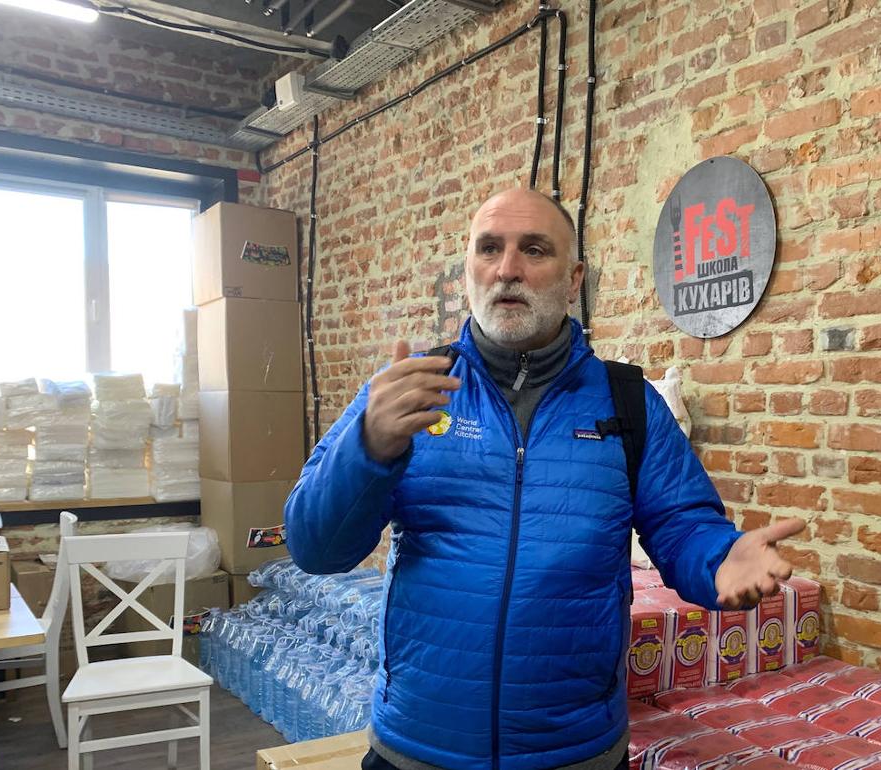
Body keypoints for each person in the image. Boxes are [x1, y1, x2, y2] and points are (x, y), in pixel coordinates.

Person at [284, 189, 806, 770]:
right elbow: (315, 547)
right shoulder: (407, 393)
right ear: (468, 272)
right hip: (418, 748)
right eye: (489, 249)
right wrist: (367, 448)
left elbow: (683, 526)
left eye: (534, 250)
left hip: (575, 752)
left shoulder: (628, 403)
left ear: (574, 277)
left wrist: (717, 559)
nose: (508, 269)